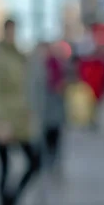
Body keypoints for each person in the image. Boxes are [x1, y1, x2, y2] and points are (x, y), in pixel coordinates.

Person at [0, 19, 40, 205]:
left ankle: (11, 204)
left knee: (34, 162)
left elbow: (25, 87)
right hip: (3, 120)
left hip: (19, 118)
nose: (13, 34)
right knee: (4, 170)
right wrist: (0, 123)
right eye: (10, 30)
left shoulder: (19, 55)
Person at [42, 42, 66, 175]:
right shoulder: (41, 66)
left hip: (54, 109)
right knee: (48, 137)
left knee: (54, 136)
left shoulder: (56, 64)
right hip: (46, 110)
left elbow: (61, 84)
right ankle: (50, 160)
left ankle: (53, 161)